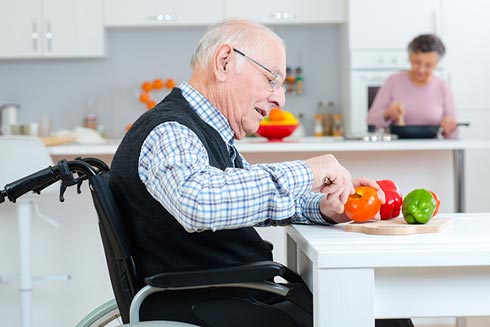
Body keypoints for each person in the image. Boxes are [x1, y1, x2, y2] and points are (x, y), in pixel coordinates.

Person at [110, 18, 413, 327]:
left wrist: (324, 207)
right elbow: (201, 203)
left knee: (377, 309)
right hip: (210, 304)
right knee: (379, 316)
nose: (280, 98)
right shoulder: (170, 131)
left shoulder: (207, 133)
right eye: (271, 79)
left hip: (230, 296)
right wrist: (308, 170)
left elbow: (247, 200)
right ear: (225, 62)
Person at [367, 34, 458, 138]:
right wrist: (387, 114)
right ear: (410, 57)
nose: (421, 70)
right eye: (417, 62)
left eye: (428, 65)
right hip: (396, 148)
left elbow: (453, 134)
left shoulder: (443, 87)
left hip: (432, 150)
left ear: (437, 64)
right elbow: (371, 120)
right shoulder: (393, 81)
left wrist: (450, 127)